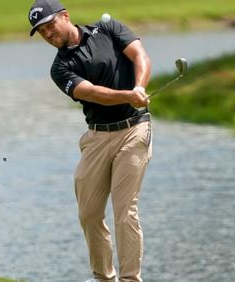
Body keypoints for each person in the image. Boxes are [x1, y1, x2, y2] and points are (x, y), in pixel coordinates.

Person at [28, 1, 152, 281]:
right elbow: (92, 93)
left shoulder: (108, 28)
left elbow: (140, 56)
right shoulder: (60, 68)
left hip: (134, 130)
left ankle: (130, 279)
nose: (48, 34)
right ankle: (104, 278)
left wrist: (140, 87)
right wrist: (127, 96)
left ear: (65, 17)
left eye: (49, 25)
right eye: (41, 31)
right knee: (89, 213)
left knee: (125, 211)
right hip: (97, 136)